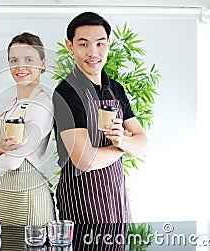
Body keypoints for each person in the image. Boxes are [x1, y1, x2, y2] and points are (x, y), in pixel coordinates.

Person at [53, 12, 149, 224]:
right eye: (83, 44)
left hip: (116, 200)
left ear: (108, 44)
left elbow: (143, 146)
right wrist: (123, 145)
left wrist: (123, 140)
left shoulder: (116, 89)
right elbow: (85, 160)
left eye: (99, 43)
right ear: (70, 47)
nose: (93, 52)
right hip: (82, 203)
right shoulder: (66, 93)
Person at [0, 32, 55, 226]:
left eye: (29, 59)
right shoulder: (9, 104)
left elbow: (12, 162)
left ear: (43, 63)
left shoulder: (42, 105)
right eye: (14, 60)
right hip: (3, 203)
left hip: (29, 204)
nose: (20, 66)